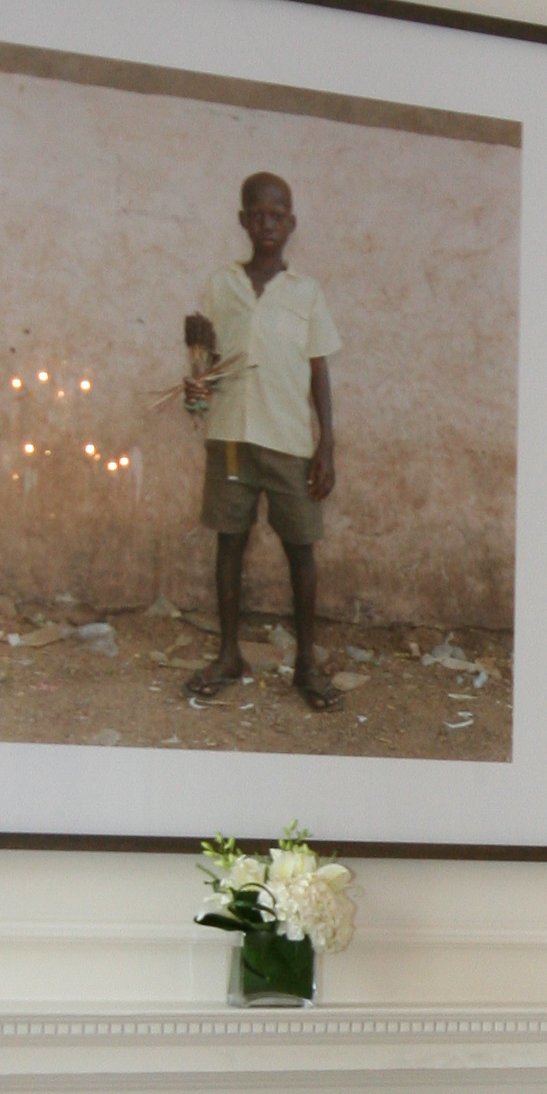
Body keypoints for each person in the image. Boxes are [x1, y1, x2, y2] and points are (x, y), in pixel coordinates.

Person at [182, 172, 342, 711]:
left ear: (291, 223)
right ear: (243, 220)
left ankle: (306, 665)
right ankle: (229, 654)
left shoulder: (306, 292)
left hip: (289, 439)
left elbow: (318, 370)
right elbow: (205, 361)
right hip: (230, 434)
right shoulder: (220, 285)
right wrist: (197, 382)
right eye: (257, 214)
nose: (267, 224)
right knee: (230, 542)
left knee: (301, 549)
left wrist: (327, 445)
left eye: (278, 216)